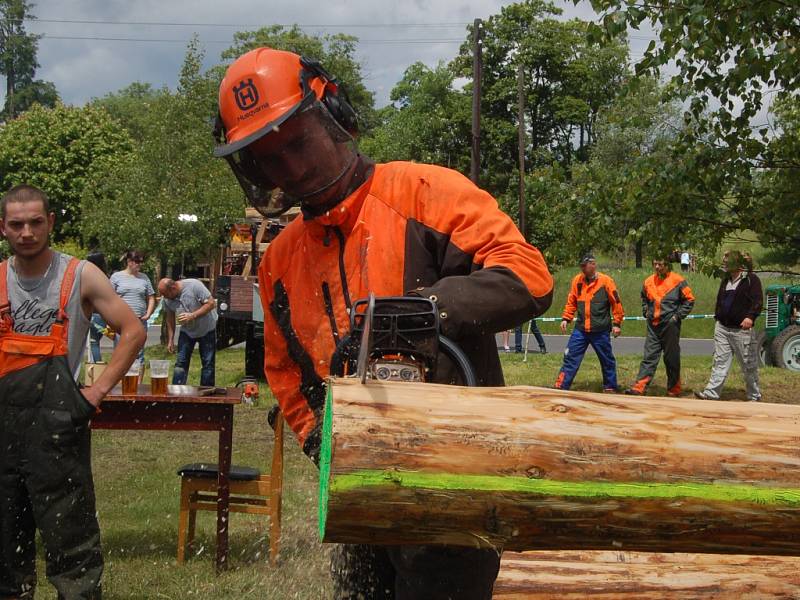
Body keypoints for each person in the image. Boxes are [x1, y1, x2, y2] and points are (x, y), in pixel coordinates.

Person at [214, 48, 553, 600]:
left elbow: (529, 276)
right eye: (271, 158)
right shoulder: (281, 261)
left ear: (333, 115)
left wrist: (431, 308)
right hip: (361, 484)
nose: (292, 167)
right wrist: (324, 443)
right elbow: (286, 372)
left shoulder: (424, 193)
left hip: (453, 475)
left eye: (298, 142)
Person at [0, 184, 145, 599]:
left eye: (35, 222)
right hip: (3, 437)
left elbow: (133, 331)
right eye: (17, 224)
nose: (26, 232)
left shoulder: (80, 275)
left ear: (50, 223)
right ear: (3, 229)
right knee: (5, 557)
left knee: (74, 555)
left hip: (59, 433)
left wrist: (95, 392)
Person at [695, 250, 763, 401]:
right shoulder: (726, 280)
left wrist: (750, 317)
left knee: (748, 364)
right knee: (719, 361)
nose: (724, 263)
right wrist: (718, 316)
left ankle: (754, 396)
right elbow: (720, 300)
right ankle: (711, 393)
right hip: (723, 329)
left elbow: (758, 301)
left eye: (727, 260)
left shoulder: (751, 279)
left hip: (742, 331)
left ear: (737, 263)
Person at [625, 257, 695, 397]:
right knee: (649, 356)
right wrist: (645, 310)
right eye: (655, 264)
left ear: (667, 265)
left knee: (671, 358)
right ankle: (639, 387)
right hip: (653, 325)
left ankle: (674, 389)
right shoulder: (648, 281)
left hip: (670, 325)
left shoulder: (678, 281)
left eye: (660, 264)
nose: (657, 267)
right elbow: (644, 297)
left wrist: (677, 316)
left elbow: (690, 299)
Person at [554, 255, 624, 391]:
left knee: (607, 360)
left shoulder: (606, 281)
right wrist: (566, 318)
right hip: (580, 330)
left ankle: (610, 387)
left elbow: (616, 303)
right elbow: (571, 301)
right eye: (581, 266)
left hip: (600, 330)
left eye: (584, 266)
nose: (582, 269)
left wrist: (617, 324)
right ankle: (561, 385)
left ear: (593, 265)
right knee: (570, 357)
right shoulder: (577, 281)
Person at [158, 277, 218, 386]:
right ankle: (177, 392)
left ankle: (206, 392)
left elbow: (211, 303)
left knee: (208, 363)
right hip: (187, 332)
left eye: (165, 294)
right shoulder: (167, 299)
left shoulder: (194, 285)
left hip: (207, 329)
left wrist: (192, 315)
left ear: (173, 288)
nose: (164, 297)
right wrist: (170, 340)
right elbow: (170, 318)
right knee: (181, 363)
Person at [110, 249, 155, 368]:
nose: (140, 264)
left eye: (141, 262)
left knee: (138, 354)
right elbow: (109, 297)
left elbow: (151, 297)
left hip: (140, 320)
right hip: (122, 321)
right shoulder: (116, 277)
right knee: (121, 353)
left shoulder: (144, 278)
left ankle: (138, 384)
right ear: (129, 261)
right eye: (137, 262)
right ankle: (119, 383)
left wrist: (148, 314)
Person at [86, 249, 111, 363]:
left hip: (93, 314)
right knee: (96, 342)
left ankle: (96, 366)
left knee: (93, 342)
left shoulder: (89, 277)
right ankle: (98, 365)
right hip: (103, 315)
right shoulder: (106, 278)